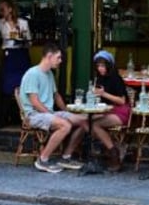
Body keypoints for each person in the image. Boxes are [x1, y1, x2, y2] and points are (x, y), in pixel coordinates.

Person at [19, 43, 87, 173]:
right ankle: (42, 160)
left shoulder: (49, 73)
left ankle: (66, 157)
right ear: (49, 56)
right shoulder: (32, 74)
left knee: (83, 120)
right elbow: (34, 101)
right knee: (65, 125)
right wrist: (53, 115)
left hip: (48, 113)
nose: (60, 61)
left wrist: (67, 112)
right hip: (34, 114)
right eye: (58, 58)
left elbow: (56, 96)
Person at [90, 50, 131, 172]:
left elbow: (122, 101)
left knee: (94, 124)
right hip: (106, 110)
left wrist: (104, 94)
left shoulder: (115, 78)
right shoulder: (99, 79)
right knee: (84, 122)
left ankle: (114, 153)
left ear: (109, 65)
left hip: (120, 111)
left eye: (102, 65)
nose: (100, 68)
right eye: (98, 66)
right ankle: (109, 148)